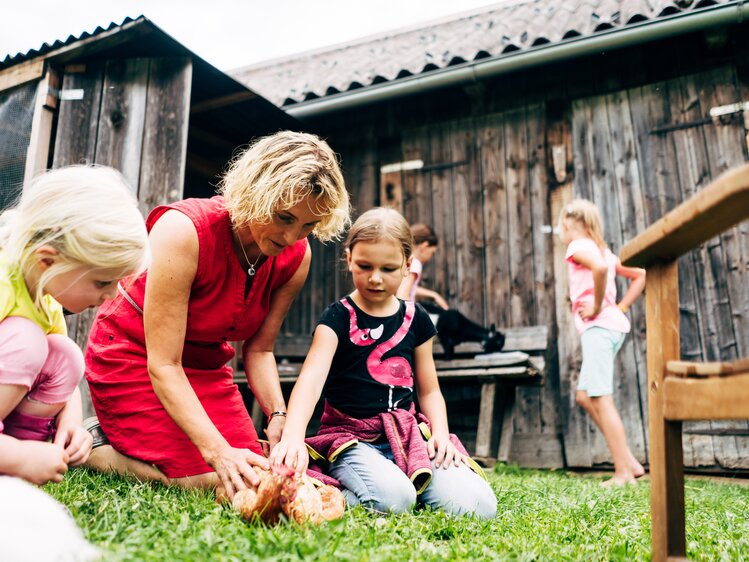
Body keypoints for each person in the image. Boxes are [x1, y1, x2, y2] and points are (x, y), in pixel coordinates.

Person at [83, 131, 350, 501]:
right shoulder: (183, 231)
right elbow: (164, 364)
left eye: (307, 226)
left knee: (252, 469)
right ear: (256, 192)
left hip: (205, 366)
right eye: (283, 217)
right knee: (201, 478)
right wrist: (217, 451)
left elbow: (259, 351)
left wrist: (278, 417)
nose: (292, 237)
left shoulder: (296, 257)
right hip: (136, 355)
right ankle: (94, 445)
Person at [270, 208, 497, 518]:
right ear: (349, 258)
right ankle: (331, 494)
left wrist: (441, 434)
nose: (375, 278)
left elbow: (429, 390)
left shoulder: (416, 318)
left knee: (480, 507)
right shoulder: (337, 318)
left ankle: (397, 480)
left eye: (388, 269)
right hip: (351, 440)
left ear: (406, 266)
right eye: (365, 266)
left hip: (406, 435)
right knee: (395, 500)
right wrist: (293, 436)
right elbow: (310, 381)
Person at [0, 166, 149, 485]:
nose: (111, 295)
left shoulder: (43, 294)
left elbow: (64, 383)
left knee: (65, 354)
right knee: (28, 341)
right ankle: (13, 455)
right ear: (48, 260)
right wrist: (18, 458)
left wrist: (72, 423)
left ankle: (28, 450)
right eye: (102, 281)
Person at [558, 199, 646, 486]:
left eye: (563, 226)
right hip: (611, 326)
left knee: (600, 398)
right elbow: (640, 275)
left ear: (572, 224)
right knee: (585, 396)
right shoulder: (603, 250)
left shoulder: (578, 247)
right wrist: (618, 307)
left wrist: (597, 307)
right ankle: (629, 462)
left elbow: (598, 269)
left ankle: (622, 472)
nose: (562, 231)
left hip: (599, 327)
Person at [396, 223, 504, 359]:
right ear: (424, 246)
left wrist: (432, 295)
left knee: (451, 317)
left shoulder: (404, 261)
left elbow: (405, 287)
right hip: (410, 321)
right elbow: (402, 293)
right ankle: (487, 336)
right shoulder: (415, 263)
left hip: (408, 317)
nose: (431, 257)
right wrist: (404, 321)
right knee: (452, 318)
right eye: (432, 252)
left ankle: (486, 336)